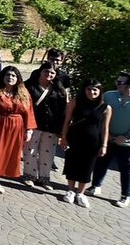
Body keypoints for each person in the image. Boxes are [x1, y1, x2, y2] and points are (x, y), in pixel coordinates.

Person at [0, 66, 36, 195]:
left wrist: (29, 129)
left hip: (16, 128)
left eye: (13, 76)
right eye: (8, 75)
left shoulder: (23, 93)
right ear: (3, 76)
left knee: (7, 154)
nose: (10, 78)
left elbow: (29, 111)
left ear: (18, 78)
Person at [60, 80, 111, 208]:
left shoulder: (105, 107)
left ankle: (80, 193)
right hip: (74, 138)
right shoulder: (75, 102)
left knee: (87, 167)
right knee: (72, 163)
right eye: (89, 89)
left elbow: (105, 128)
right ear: (84, 90)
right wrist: (63, 137)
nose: (91, 92)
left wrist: (104, 145)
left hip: (92, 142)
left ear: (100, 92)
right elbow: (67, 121)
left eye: (95, 90)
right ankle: (70, 190)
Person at [23, 62, 68, 190]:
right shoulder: (29, 86)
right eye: (46, 72)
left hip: (51, 127)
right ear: (40, 72)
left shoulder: (59, 90)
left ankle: (44, 178)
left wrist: (61, 130)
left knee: (47, 154)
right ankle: (29, 176)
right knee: (30, 151)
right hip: (33, 125)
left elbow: (63, 110)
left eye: (52, 73)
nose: (49, 75)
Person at [88, 71, 130, 207]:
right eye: (117, 81)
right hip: (108, 137)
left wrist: (126, 137)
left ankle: (125, 195)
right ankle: (96, 186)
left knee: (126, 169)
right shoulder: (109, 96)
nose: (117, 84)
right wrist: (107, 134)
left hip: (126, 143)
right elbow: (99, 113)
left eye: (120, 82)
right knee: (101, 161)